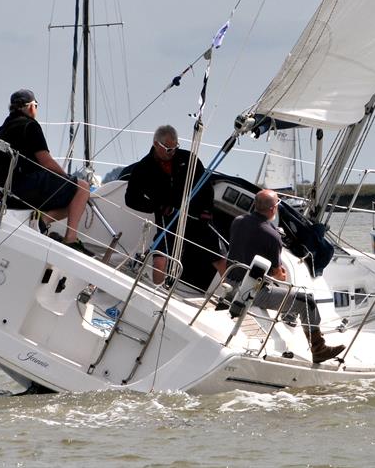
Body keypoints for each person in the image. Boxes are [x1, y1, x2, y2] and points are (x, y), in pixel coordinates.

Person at [226, 189, 345, 363]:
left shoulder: (237, 222)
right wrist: (280, 272)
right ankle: (318, 348)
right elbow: (279, 276)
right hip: (251, 292)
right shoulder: (272, 236)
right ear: (274, 209)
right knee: (307, 301)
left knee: (286, 293)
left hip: (229, 282)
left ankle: (290, 316)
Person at [0, 89, 92, 255]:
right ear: (31, 107)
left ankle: (43, 221)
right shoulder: (30, 126)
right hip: (24, 188)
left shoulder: (5, 127)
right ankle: (71, 239)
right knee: (82, 189)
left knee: (75, 202)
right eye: (36, 105)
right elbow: (46, 161)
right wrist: (67, 178)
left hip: (5, 192)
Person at [125, 125, 226, 288]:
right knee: (159, 261)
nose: (172, 152)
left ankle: (229, 298)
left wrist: (206, 212)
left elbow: (206, 188)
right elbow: (130, 199)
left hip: (197, 219)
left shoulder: (189, 159)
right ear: (156, 144)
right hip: (168, 220)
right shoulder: (143, 168)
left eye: (175, 147)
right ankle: (156, 293)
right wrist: (156, 207)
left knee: (218, 257)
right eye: (168, 148)